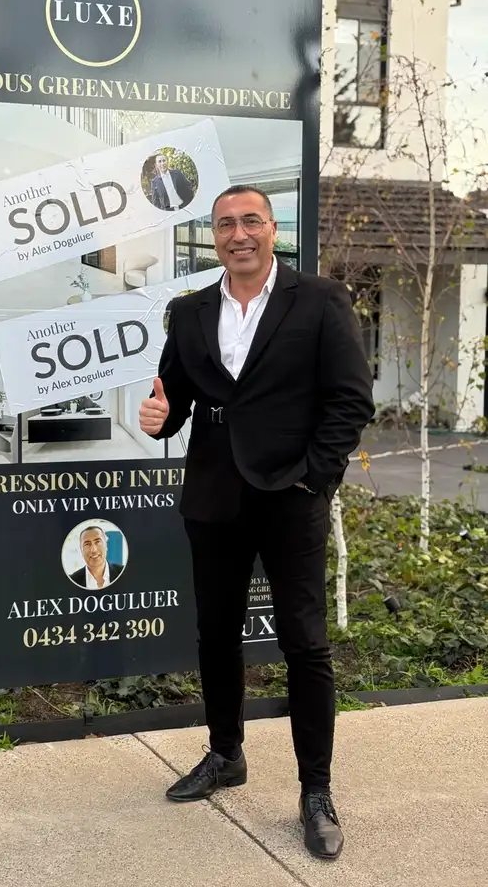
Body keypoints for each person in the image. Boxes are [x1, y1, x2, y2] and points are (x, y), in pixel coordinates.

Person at [139, 185, 374, 861]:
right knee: (216, 635)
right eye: (224, 225)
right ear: (213, 236)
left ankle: (316, 792)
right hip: (213, 496)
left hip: (290, 496)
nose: (237, 234)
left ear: (273, 230)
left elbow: (351, 400)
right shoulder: (189, 312)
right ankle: (226, 754)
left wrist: (314, 478)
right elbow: (175, 400)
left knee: (305, 643)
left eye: (250, 221)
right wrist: (159, 419)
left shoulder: (320, 300)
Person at [69, 525, 124, 590]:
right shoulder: (72, 580)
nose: (93, 550)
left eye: (98, 542)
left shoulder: (124, 573)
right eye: (87, 544)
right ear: (81, 550)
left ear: (106, 546)